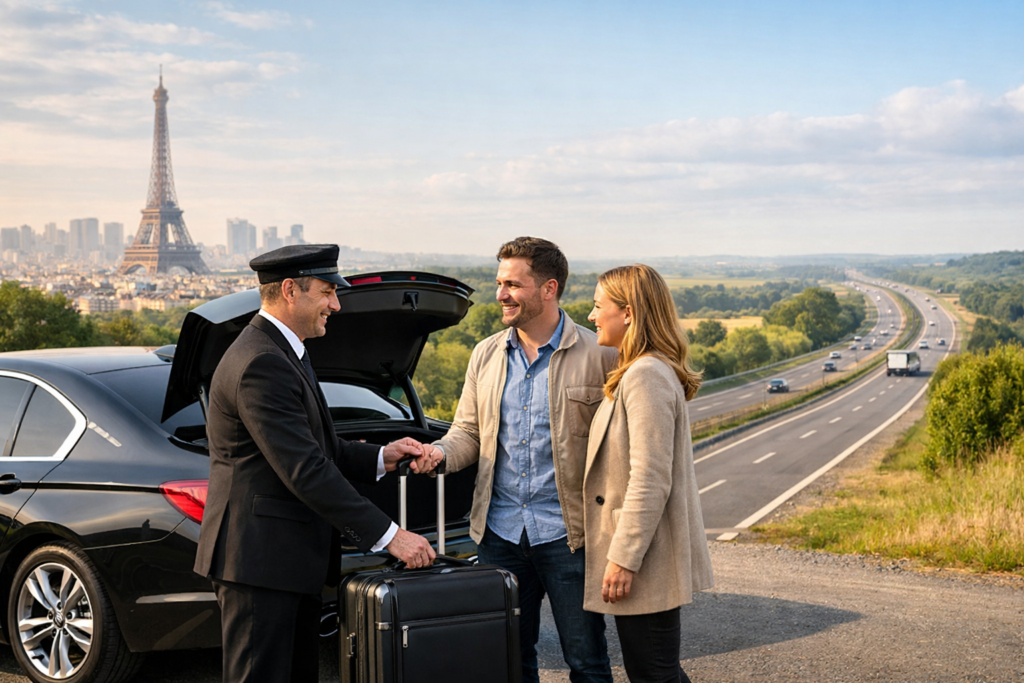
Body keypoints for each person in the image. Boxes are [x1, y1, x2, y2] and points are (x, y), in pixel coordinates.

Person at [194, 244, 443, 683]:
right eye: (328, 292)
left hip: (284, 563)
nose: (336, 304)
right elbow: (305, 469)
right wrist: (391, 537)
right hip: (259, 564)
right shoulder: (262, 362)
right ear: (291, 290)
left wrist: (383, 455)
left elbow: (320, 446)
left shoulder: (285, 351)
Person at [420, 236, 617, 683]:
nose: (501, 294)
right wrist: (438, 454)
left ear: (549, 288)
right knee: (507, 660)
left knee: (587, 662)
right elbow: (467, 433)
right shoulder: (486, 355)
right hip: (499, 535)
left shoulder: (602, 355)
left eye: (513, 284)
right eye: (499, 283)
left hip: (571, 538)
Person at [583, 264, 714, 683]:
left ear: (628, 313)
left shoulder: (645, 376)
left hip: (645, 558)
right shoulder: (643, 370)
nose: (591, 316)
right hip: (645, 557)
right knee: (655, 671)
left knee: (654, 673)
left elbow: (650, 477)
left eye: (597, 305)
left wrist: (623, 558)